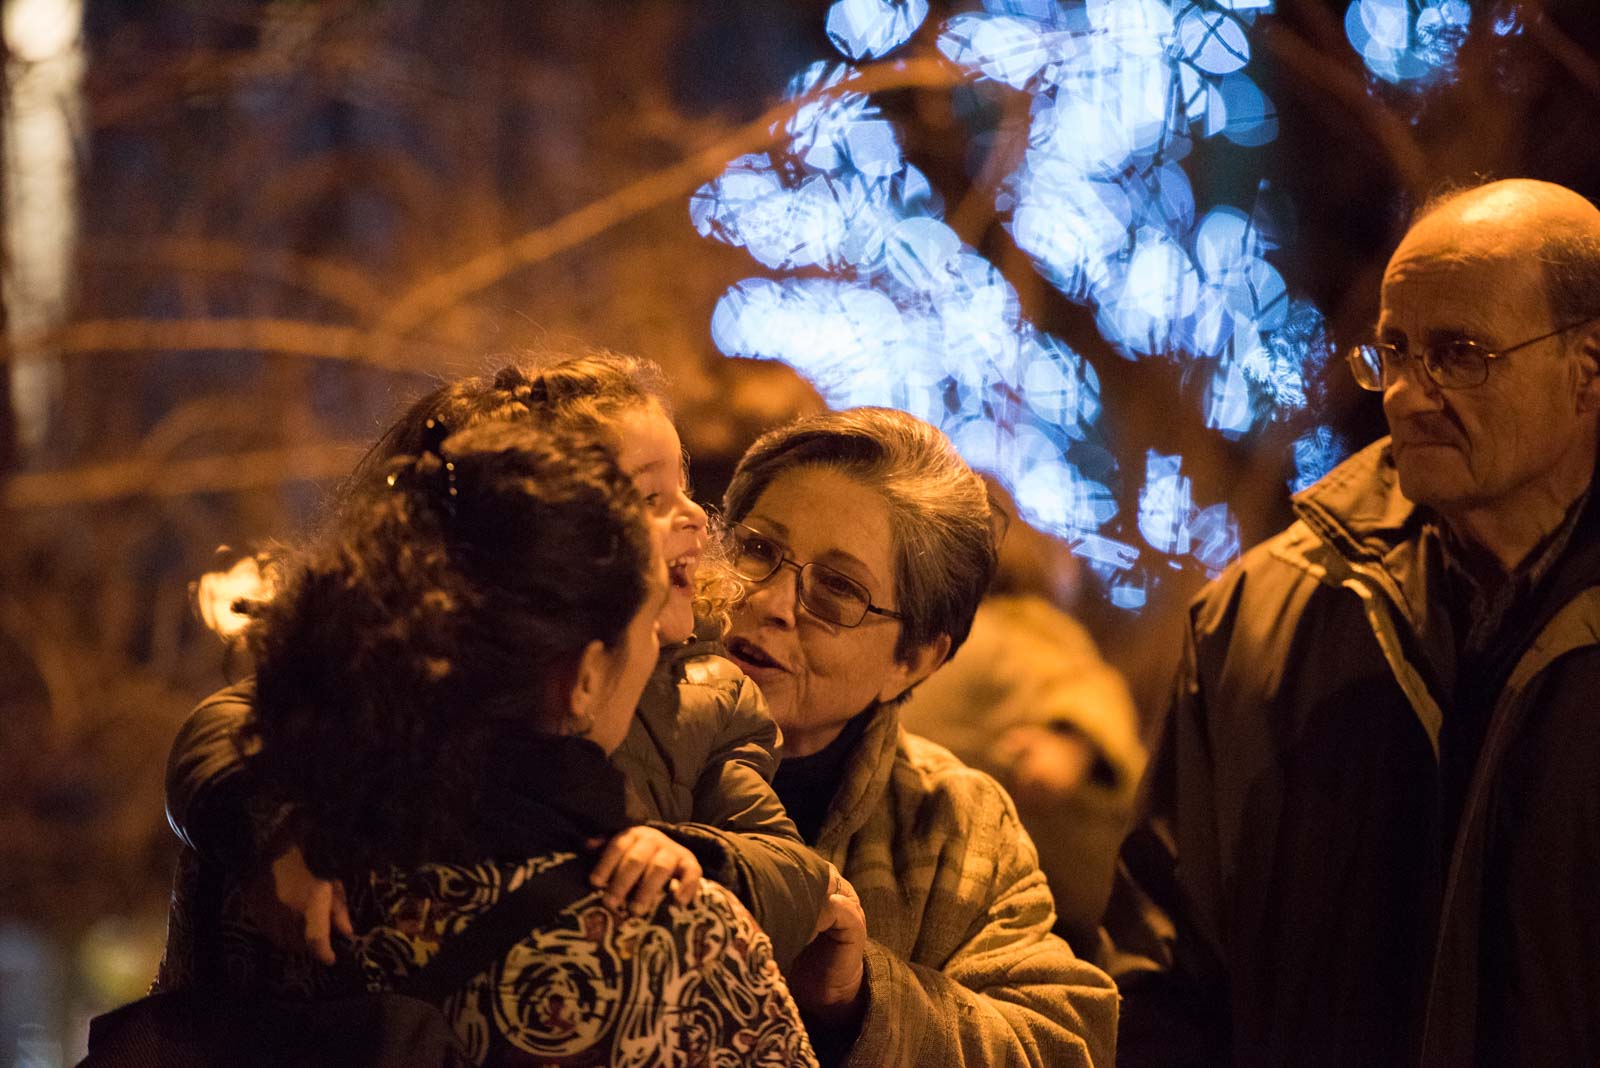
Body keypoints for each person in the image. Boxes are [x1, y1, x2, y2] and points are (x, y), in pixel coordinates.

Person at [1104, 177, 1600, 1067]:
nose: (1408, 394)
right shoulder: (1258, 621)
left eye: (1461, 355)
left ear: (1588, 374)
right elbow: (1163, 978)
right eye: (1393, 353)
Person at [158, 353, 831, 987]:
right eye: (648, 500)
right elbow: (233, 726)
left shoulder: (706, 697)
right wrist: (276, 838)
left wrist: (695, 857)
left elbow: (795, 870)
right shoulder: (430, 679)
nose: (693, 517)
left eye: (682, 488)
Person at [719, 407, 1119, 1066]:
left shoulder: (958, 828)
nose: (771, 602)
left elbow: (1066, 1043)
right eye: (759, 548)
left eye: (839, 590)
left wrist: (863, 999)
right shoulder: (608, 736)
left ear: (914, 661)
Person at [899, 479, 1145, 954]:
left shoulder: (1018, 624)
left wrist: (1071, 743)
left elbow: (1087, 685)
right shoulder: (922, 634)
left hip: (1042, 905)